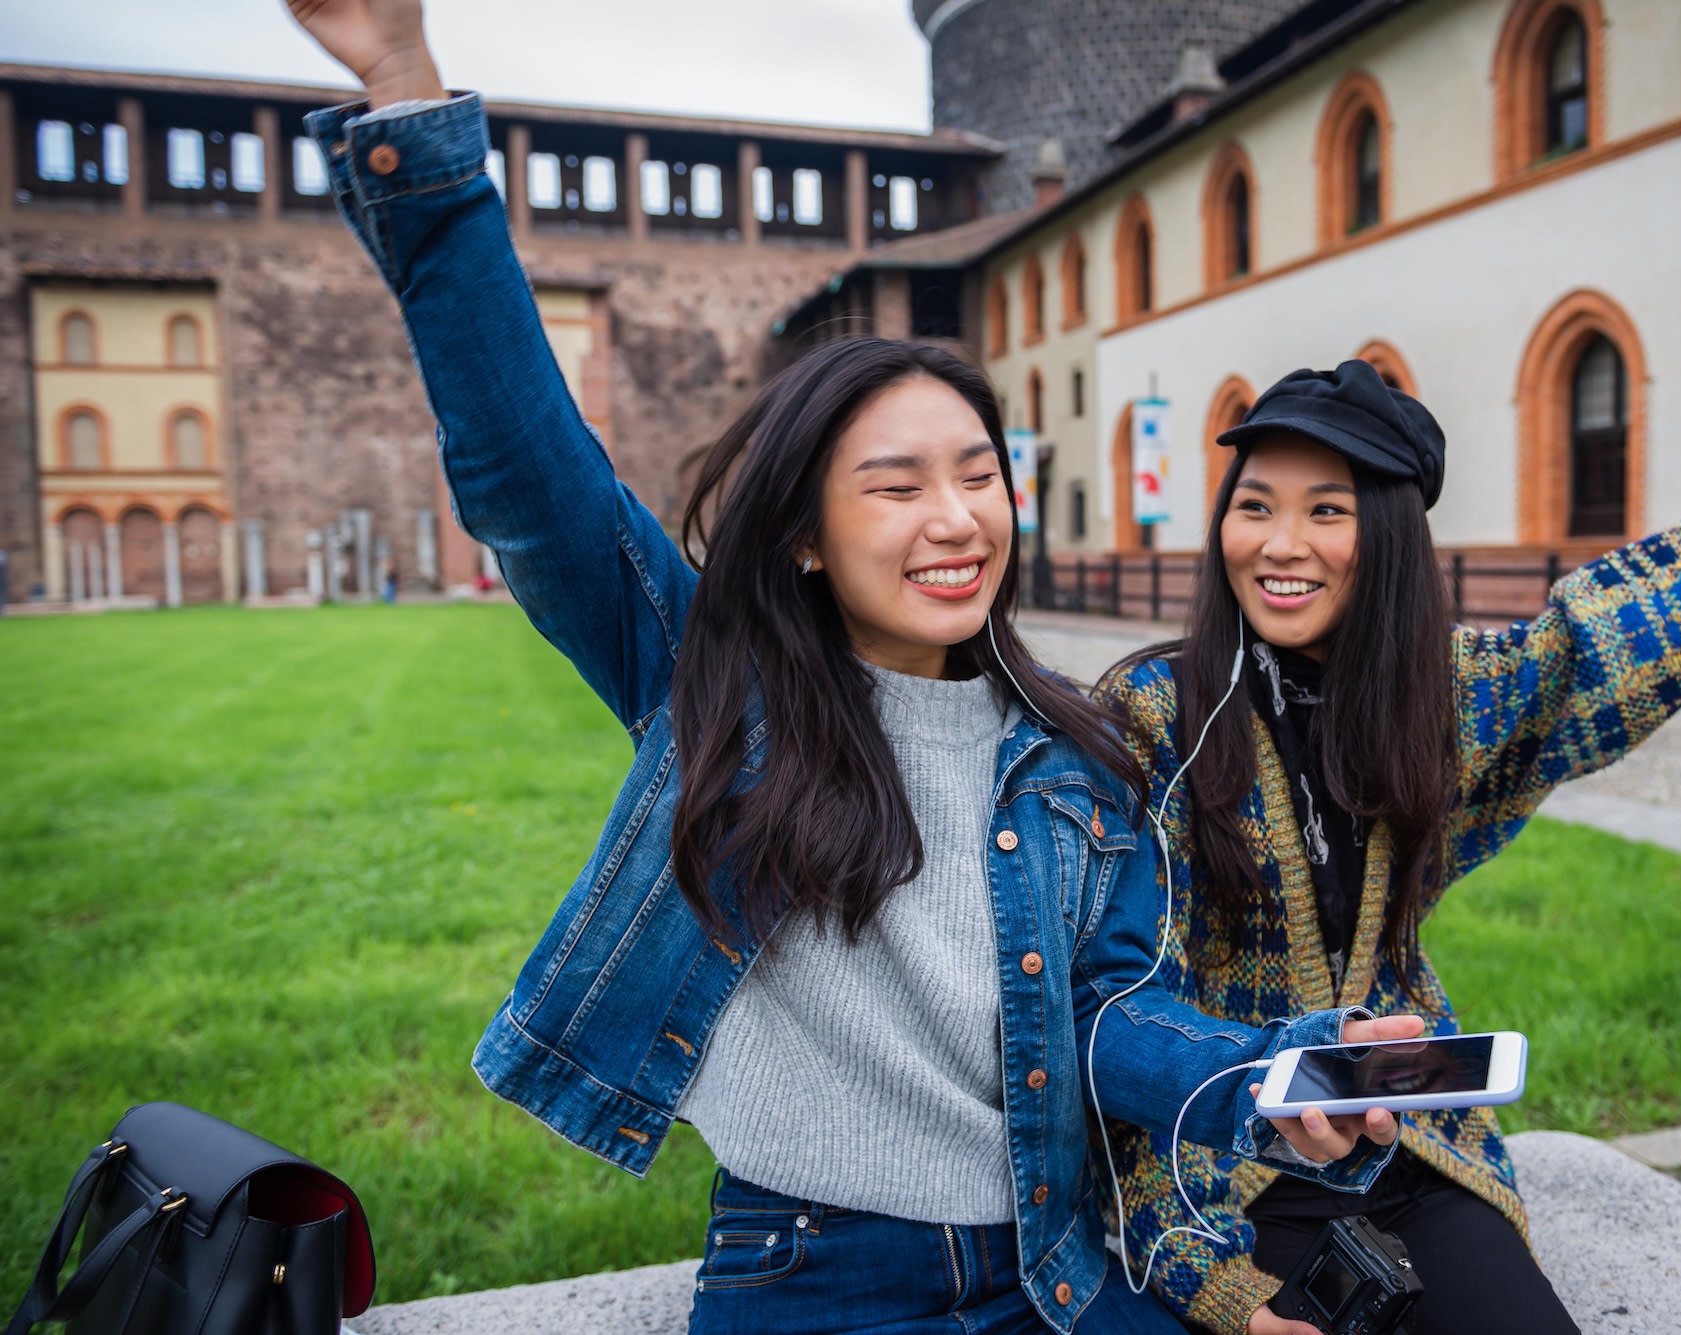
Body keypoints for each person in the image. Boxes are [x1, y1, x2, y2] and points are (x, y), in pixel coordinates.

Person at [280, 4, 1422, 1331]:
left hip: (1046, 1267)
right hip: (811, 1272)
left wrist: (1273, 1072)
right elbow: (531, 476)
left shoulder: (1075, 751)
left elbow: (1114, 1014)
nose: (956, 517)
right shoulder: (717, 682)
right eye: (895, 486)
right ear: (808, 537)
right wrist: (409, 103)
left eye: (979, 473)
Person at [1098, 357, 1681, 1335]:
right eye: (1253, 506)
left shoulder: (1444, 699)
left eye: (1327, 510)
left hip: (1415, 1140)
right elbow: (1113, 1018)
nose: (1279, 544)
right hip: (1228, 1177)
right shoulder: (1153, 717)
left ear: (1390, 536)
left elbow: (1668, 606)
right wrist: (1215, 1286)